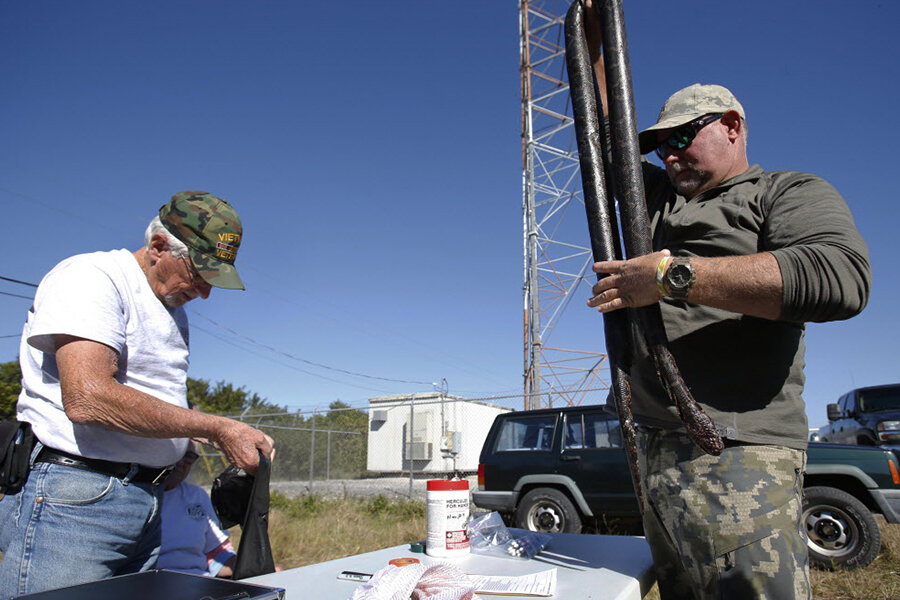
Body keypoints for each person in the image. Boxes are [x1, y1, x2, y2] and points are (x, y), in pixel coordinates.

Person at [581, 4, 871, 599]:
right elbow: (607, 143)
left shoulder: (784, 192)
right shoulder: (655, 201)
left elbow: (839, 277)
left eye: (683, 137)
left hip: (741, 449)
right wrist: (592, 39)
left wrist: (670, 277)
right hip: (655, 446)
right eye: (660, 145)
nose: (669, 154)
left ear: (733, 126)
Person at [0, 191, 276, 598]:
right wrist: (215, 428)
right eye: (199, 274)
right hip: (77, 498)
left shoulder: (169, 308)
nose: (204, 293)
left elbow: (149, 395)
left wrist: (196, 429)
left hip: (145, 498)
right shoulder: (92, 277)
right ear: (159, 246)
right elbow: (88, 397)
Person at [158, 442, 236, 578]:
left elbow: (216, 554)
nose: (181, 463)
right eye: (176, 455)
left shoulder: (197, 496)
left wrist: (260, 569)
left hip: (200, 583)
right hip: (152, 583)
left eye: (188, 457)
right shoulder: (136, 498)